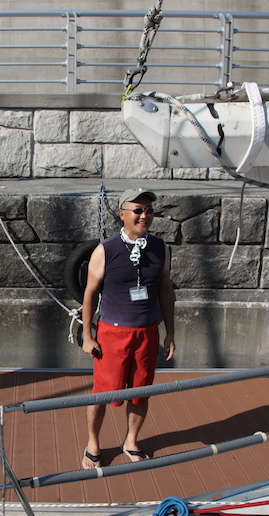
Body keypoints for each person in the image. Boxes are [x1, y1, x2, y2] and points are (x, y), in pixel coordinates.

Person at [81, 188, 175, 469]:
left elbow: (165, 290)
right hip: (112, 334)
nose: (144, 215)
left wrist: (170, 332)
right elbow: (90, 294)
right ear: (122, 214)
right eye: (138, 210)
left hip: (147, 333)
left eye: (149, 210)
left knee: (140, 392)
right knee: (102, 393)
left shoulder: (161, 248)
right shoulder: (105, 250)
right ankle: (93, 443)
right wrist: (87, 336)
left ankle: (131, 441)